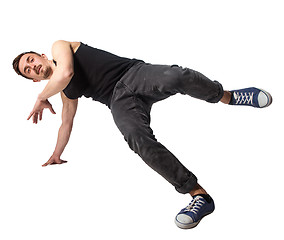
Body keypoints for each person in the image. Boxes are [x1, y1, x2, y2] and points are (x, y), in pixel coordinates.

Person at [12, 40, 272, 229]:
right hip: (118, 101)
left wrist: (40, 98)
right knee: (136, 139)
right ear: (34, 79)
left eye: (31, 60)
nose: (32, 67)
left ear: (42, 55)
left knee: (175, 76)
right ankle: (199, 196)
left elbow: (66, 71)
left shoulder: (60, 46)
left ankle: (229, 97)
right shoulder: (65, 93)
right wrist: (56, 154)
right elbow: (65, 124)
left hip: (134, 74)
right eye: (28, 70)